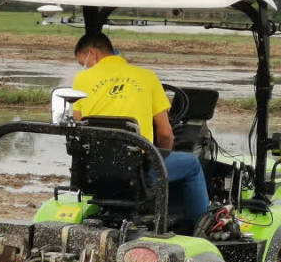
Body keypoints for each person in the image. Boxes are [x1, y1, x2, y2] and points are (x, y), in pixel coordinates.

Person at [70, 33, 210, 225]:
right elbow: (165, 133)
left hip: (94, 171)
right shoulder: (147, 77)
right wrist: (162, 157)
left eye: (82, 62)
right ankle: (200, 226)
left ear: (92, 54)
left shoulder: (81, 80)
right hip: (138, 173)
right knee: (192, 164)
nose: (84, 67)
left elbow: (79, 128)